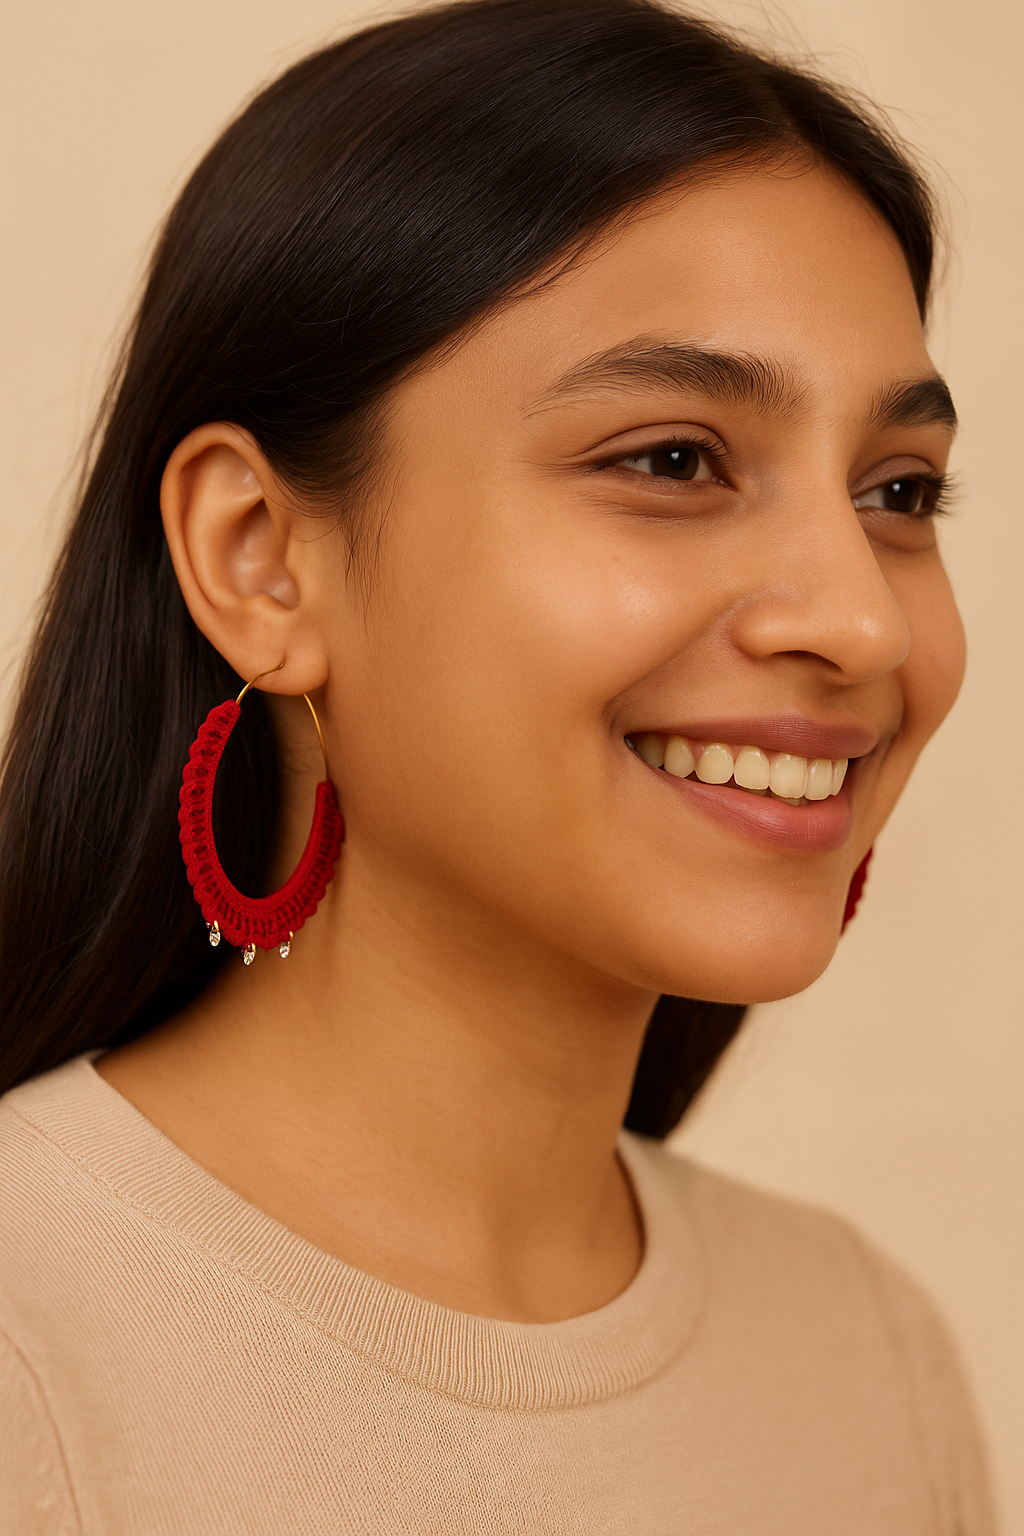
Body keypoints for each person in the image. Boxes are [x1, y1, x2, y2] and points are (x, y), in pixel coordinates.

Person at [0, 0, 997, 1529]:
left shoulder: (867, 1354)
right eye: (673, 460)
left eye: (898, 489)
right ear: (260, 558)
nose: (859, 619)